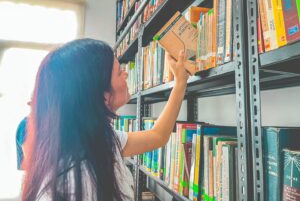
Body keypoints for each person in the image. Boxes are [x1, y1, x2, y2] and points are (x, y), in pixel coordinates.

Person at [21, 38, 188, 201]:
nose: (126, 73)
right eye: (118, 72)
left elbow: (157, 136)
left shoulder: (97, 138)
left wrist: (180, 82)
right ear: (102, 95)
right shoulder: (75, 182)